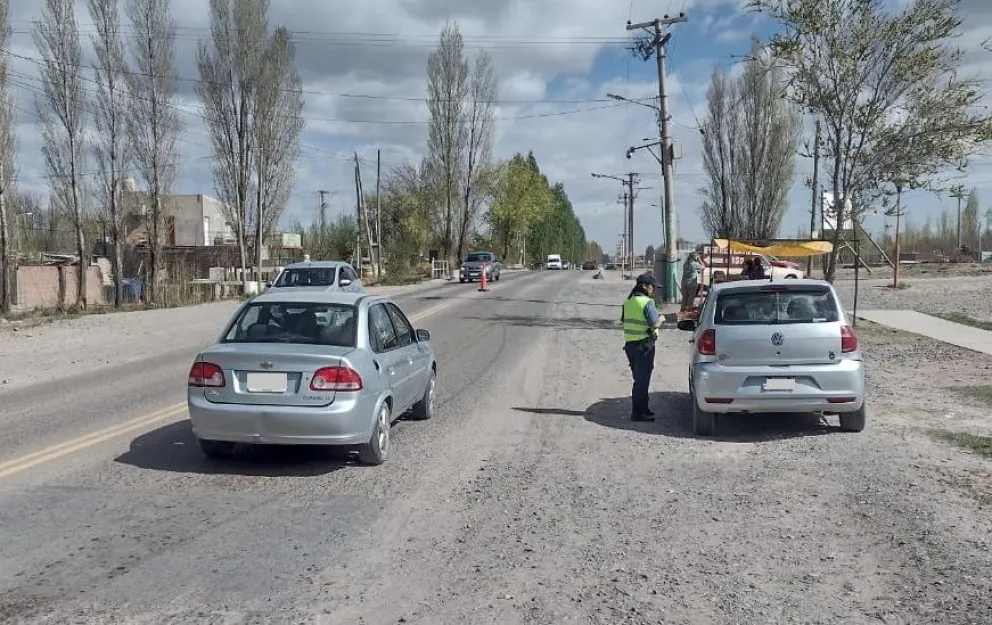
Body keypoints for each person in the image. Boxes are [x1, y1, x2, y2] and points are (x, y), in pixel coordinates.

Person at [621, 273, 664, 422]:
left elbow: (624, 320)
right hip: (644, 346)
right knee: (642, 381)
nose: (654, 290)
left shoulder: (628, 302)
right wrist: (662, 318)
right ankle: (638, 413)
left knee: (638, 380)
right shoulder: (647, 302)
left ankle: (642, 409)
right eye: (653, 287)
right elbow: (654, 323)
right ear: (645, 286)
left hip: (630, 346)